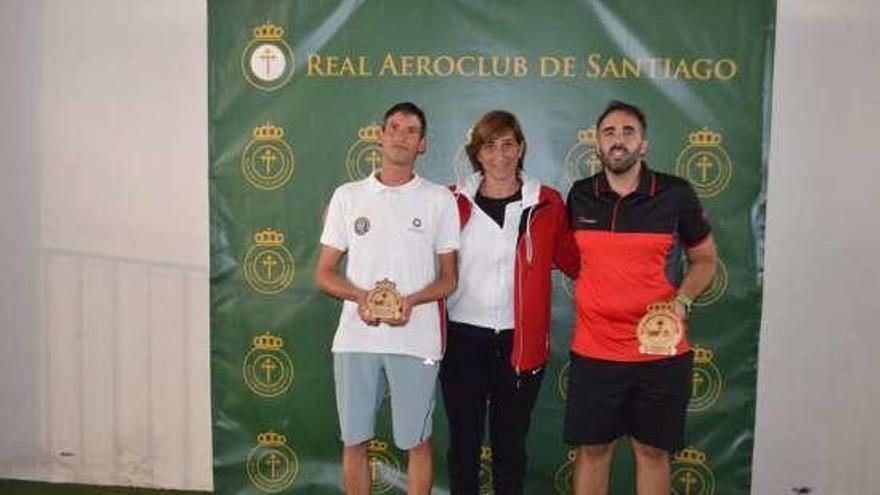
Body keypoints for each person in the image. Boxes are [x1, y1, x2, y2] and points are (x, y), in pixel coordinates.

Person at [564, 100, 718, 495]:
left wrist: (682, 301)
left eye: (628, 132)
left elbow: (704, 260)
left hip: (661, 353)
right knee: (594, 451)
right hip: (595, 351)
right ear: (597, 145)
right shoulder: (580, 196)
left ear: (643, 144)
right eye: (609, 133)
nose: (618, 140)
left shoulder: (676, 194)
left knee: (652, 452)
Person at [315, 102, 460, 495]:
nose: (401, 136)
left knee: (418, 442)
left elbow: (449, 279)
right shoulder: (347, 196)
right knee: (354, 441)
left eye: (411, 130)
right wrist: (362, 297)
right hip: (355, 340)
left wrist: (409, 302)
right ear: (379, 135)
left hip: (416, 340)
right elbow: (324, 273)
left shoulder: (439, 200)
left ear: (423, 144)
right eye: (394, 127)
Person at [440, 110, 580, 495]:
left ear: (520, 149)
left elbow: (577, 262)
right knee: (464, 444)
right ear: (477, 154)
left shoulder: (547, 202)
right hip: (461, 339)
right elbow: (413, 251)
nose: (499, 155)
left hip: (521, 343)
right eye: (489, 146)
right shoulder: (450, 201)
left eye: (507, 145)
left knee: (511, 447)